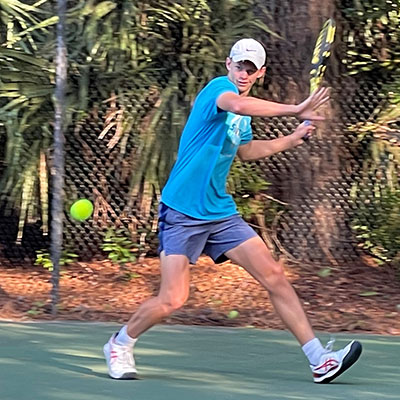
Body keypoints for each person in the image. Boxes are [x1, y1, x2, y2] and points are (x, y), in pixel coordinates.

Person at [103, 38, 362, 383]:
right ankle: (120, 343)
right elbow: (237, 106)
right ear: (229, 64)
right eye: (240, 66)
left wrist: (294, 137)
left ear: (260, 73)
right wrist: (295, 108)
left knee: (274, 275)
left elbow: (246, 151)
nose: (243, 73)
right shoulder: (219, 89)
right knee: (172, 299)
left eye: (251, 69)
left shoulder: (242, 111)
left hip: (219, 211)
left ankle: (319, 360)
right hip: (182, 209)